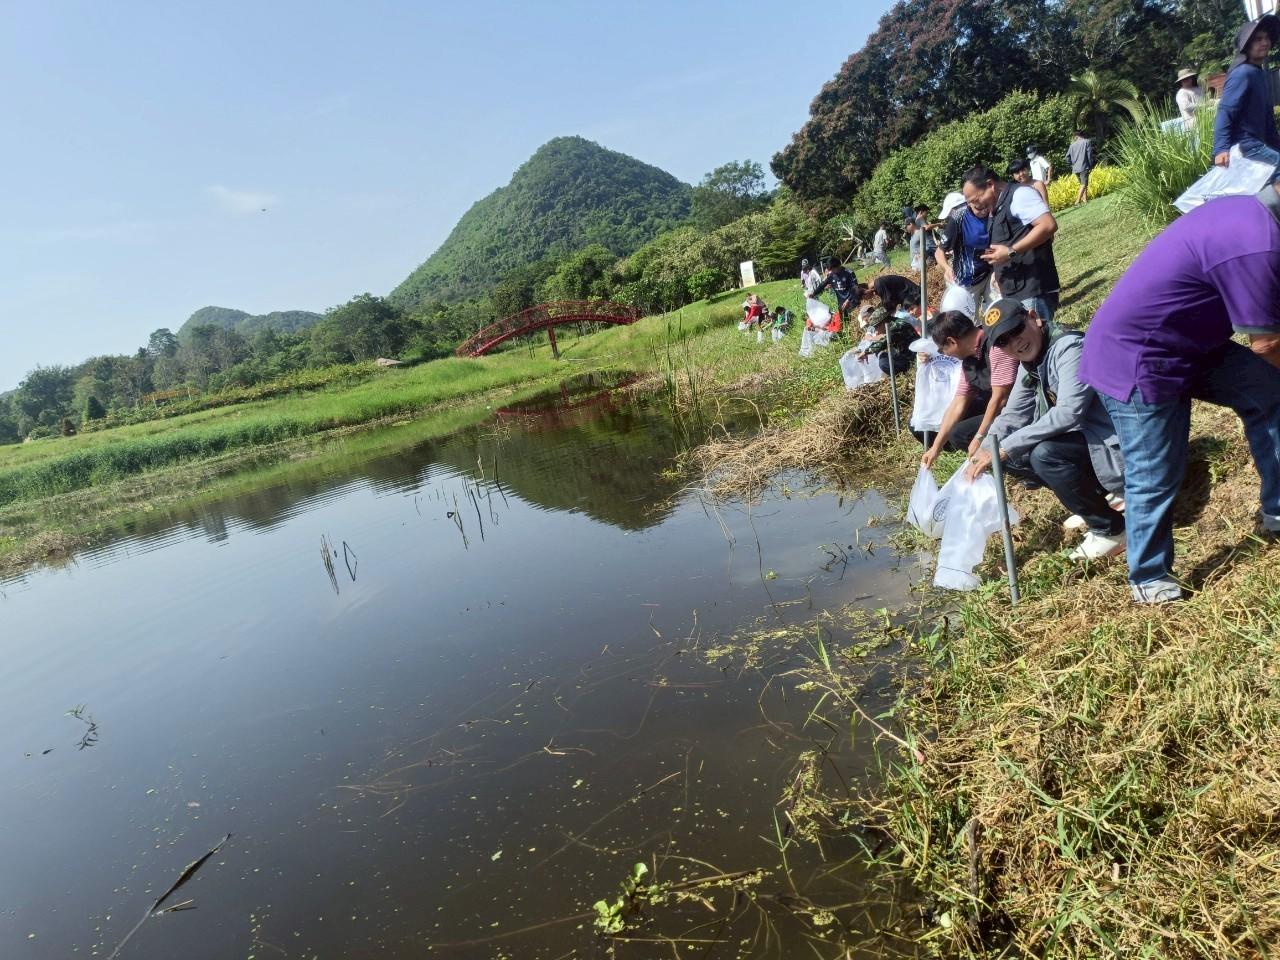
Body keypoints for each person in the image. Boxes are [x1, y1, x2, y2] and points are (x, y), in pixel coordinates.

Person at [1078, 183, 1280, 603]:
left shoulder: (1249, 212)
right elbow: (1267, 343)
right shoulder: (1258, 243)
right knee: (1154, 471)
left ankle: (1277, 508)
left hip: (1188, 342)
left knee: (1267, 390)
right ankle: (1148, 578)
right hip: (1138, 356)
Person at [967, 299, 1127, 561]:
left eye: (1016, 331)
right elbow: (1014, 414)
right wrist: (987, 448)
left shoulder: (1069, 347)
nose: (1014, 343)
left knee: (1044, 454)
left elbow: (1069, 412)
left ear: (1034, 317)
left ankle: (1111, 529)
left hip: (1116, 443)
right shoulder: (1028, 363)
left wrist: (1005, 448)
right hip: (1088, 440)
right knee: (1012, 456)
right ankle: (1099, 501)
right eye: (1003, 342)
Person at [920, 310, 1019, 468]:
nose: (944, 354)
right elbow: (958, 402)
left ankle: (1019, 463)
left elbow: (1001, 398)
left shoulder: (995, 346)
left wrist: (979, 437)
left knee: (961, 434)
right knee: (958, 426)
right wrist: (935, 448)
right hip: (1000, 404)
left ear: (952, 342)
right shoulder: (969, 360)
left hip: (1020, 408)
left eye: (942, 350)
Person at [961, 164, 1060, 321]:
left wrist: (1010, 252)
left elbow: (1048, 225)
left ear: (990, 185)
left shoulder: (1020, 195)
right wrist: (997, 270)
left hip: (1032, 289)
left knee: (1038, 340)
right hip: (1015, 290)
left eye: (976, 199)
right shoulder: (996, 207)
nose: (975, 206)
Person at [1213, 15, 1280, 181]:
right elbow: (1225, 111)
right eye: (1258, 39)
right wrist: (1221, 149)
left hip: (1257, 144)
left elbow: (1266, 116)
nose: (1265, 42)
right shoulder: (1243, 73)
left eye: (1266, 38)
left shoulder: (1258, 73)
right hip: (1246, 146)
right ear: (1246, 46)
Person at [935, 190, 993, 319]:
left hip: (989, 273)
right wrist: (947, 268)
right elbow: (939, 252)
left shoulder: (989, 212)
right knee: (968, 319)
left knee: (994, 313)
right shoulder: (956, 220)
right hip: (967, 280)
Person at [857, 306, 915, 377]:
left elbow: (883, 342)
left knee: (884, 363)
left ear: (884, 322)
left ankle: (904, 372)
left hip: (911, 357)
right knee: (881, 354)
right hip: (903, 354)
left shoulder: (898, 326)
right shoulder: (893, 324)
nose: (876, 331)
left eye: (876, 327)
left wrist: (866, 352)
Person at [809, 255, 861, 324]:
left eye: (832, 269)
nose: (831, 271)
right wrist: (813, 293)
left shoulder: (849, 273)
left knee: (855, 322)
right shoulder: (831, 275)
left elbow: (855, 288)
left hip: (852, 303)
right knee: (846, 324)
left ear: (838, 266)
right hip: (841, 305)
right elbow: (822, 285)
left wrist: (848, 300)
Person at [1066, 130, 1096, 206]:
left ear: (1076, 136)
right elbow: (1089, 155)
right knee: (1084, 184)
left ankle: (1085, 200)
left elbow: (1067, 158)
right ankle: (1077, 201)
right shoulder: (1087, 142)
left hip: (1075, 168)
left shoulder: (1072, 145)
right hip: (1084, 166)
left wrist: (1072, 164)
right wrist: (1090, 165)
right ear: (1082, 135)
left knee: (1083, 183)